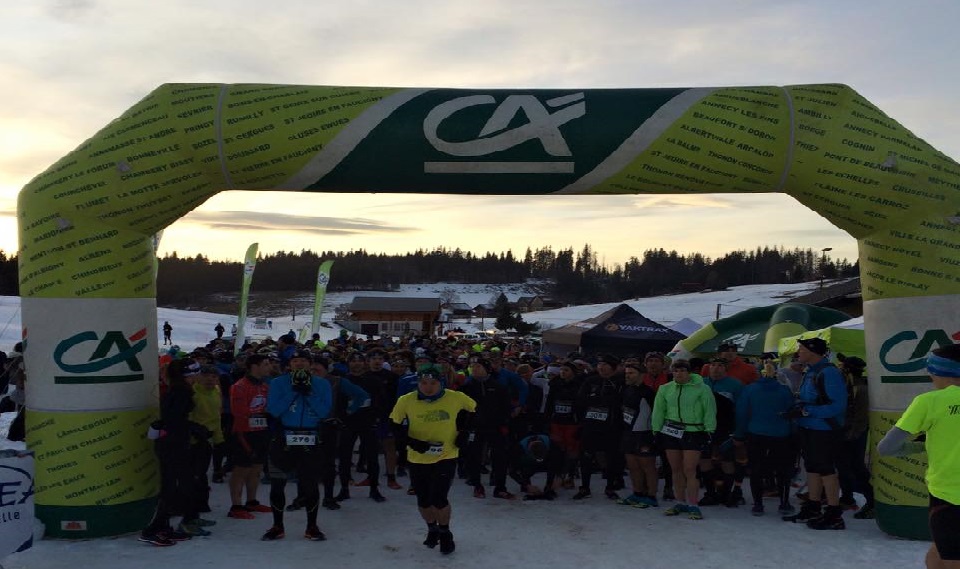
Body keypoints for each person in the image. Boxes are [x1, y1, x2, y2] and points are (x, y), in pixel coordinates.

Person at [878, 344, 960, 569]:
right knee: (940, 549)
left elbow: (886, 448)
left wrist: (920, 446)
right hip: (948, 497)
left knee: (951, 557)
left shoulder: (928, 401)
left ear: (937, 372)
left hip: (948, 495)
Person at [390, 365, 476, 555]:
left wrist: (465, 431)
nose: (428, 387)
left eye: (433, 383)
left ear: (441, 383)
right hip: (417, 457)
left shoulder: (456, 397)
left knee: (439, 498)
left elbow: (475, 410)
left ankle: (445, 533)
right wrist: (412, 442)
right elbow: (394, 426)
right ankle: (432, 528)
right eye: (424, 383)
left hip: (446, 455)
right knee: (423, 500)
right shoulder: (406, 400)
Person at [261, 349, 333, 541]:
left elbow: (324, 412)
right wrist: (293, 391)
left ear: (310, 364)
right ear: (289, 365)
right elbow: (274, 411)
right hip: (284, 437)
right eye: (295, 361)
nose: (299, 364)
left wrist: (308, 393)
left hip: (310, 437)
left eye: (303, 360)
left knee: (310, 485)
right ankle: (277, 526)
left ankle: (312, 526)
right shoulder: (278, 383)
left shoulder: (321, 383)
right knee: (277, 484)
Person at [140, 360, 213, 546]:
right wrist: (196, 428)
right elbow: (174, 420)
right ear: (188, 375)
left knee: (178, 485)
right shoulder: (181, 392)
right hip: (173, 445)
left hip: (173, 444)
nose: (198, 375)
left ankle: (164, 527)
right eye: (196, 372)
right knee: (171, 488)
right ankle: (153, 529)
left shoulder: (179, 389)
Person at [781, 337, 848, 530]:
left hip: (824, 429)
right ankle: (814, 505)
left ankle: (834, 513)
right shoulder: (811, 371)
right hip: (809, 427)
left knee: (826, 468)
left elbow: (838, 405)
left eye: (801, 348)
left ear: (813, 351)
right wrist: (797, 409)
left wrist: (807, 411)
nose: (798, 352)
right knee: (812, 467)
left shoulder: (829, 372)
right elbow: (809, 398)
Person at [652, 359, 716, 520]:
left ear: (689, 372)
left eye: (682, 371)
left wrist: (709, 430)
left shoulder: (702, 388)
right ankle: (680, 501)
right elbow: (659, 410)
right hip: (671, 431)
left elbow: (709, 409)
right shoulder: (665, 389)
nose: (679, 374)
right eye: (676, 371)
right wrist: (656, 429)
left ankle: (693, 503)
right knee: (676, 469)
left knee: (689, 469)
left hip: (693, 431)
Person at [735, 360, 796, 516]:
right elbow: (792, 413)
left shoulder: (750, 390)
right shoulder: (784, 391)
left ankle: (758, 504)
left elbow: (742, 414)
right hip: (781, 434)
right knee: (783, 469)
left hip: (756, 433)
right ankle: (784, 502)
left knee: (756, 468)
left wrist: (739, 434)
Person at [228, 353, 273, 519]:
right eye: (266, 364)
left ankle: (251, 501)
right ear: (255, 366)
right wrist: (263, 415)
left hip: (261, 433)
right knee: (241, 469)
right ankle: (236, 505)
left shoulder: (265, 386)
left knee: (256, 468)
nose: (270, 367)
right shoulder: (239, 386)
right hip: (244, 433)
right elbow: (239, 412)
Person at [835, 354, 875, 518]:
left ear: (848, 369)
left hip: (854, 435)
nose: (839, 368)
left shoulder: (860, 389)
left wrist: (850, 436)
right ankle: (847, 498)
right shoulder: (849, 385)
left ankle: (872, 502)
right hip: (847, 434)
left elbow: (860, 418)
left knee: (857, 469)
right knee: (844, 467)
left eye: (842, 366)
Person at [617, 362, 659, 507]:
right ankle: (637, 493)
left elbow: (657, 414)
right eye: (626, 373)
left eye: (631, 373)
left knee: (648, 466)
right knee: (633, 466)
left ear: (642, 375)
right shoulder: (626, 389)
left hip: (644, 434)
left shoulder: (649, 392)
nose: (627, 376)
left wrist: (655, 434)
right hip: (628, 433)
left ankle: (652, 496)